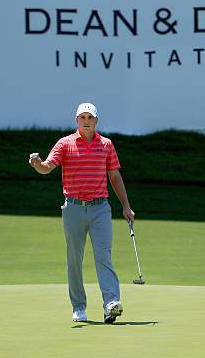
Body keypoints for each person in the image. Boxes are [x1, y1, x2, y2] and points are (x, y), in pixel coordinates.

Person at [28, 102, 135, 323]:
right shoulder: (65, 144)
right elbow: (48, 167)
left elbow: (114, 177)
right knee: (74, 259)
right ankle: (78, 306)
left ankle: (111, 303)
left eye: (90, 117)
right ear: (77, 121)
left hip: (100, 209)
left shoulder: (106, 145)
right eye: (82, 117)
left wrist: (125, 205)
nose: (86, 121)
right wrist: (37, 164)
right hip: (73, 208)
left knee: (103, 255)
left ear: (96, 121)